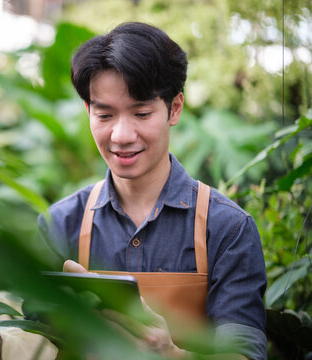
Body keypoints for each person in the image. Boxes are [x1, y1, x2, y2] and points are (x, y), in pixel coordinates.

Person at [38, 22, 267, 359]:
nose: (121, 135)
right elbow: (29, 338)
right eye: (104, 115)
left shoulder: (227, 229)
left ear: (174, 108)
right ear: (88, 111)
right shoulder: (60, 225)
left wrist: (171, 353)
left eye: (142, 113)